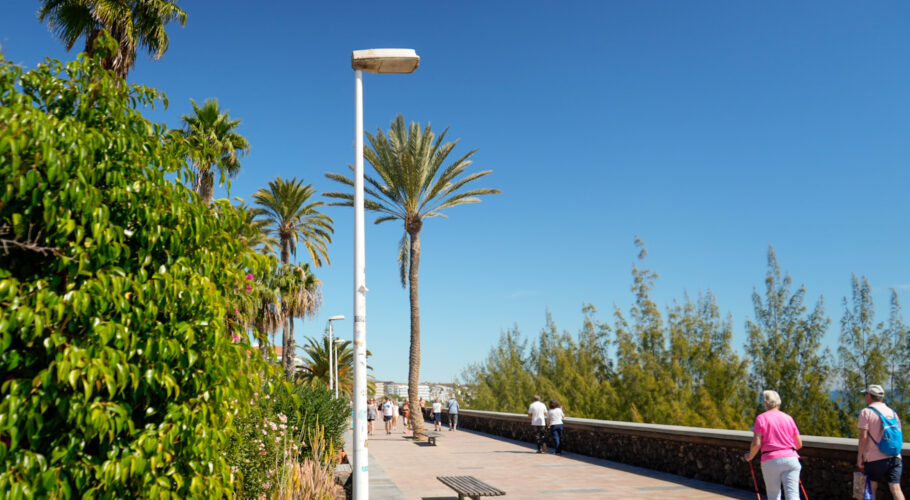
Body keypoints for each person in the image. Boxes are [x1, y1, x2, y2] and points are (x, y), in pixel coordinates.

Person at [742, 390, 802, 500]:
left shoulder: (761, 418)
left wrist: (750, 456)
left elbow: (756, 443)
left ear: (765, 402)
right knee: (793, 495)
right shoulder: (788, 418)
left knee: (774, 495)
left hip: (771, 460)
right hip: (791, 458)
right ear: (779, 402)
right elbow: (799, 444)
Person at [857, 384, 905, 500]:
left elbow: (863, 436)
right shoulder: (892, 412)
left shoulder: (866, 412)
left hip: (874, 457)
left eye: (866, 394)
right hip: (895, 456)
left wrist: (860, 457)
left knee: (871, 488)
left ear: (869, 396)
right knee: (896, 489)